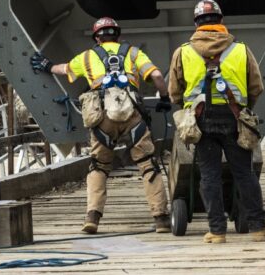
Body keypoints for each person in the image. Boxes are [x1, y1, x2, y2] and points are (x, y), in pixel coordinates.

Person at [30, 17, 171, 235]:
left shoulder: (87, 56)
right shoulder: (133, 53)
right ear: (118, 35)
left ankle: (92, 218)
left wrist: (47, 65)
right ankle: (161, 219)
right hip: (133, 114)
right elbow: (157, 75)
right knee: (147, 164)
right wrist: (163, 98)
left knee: (99, 166)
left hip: (102, 117)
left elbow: (64, 68)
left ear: (97, 37)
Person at [167, 0, 265, 244]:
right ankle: (258, 228)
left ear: (196, 24)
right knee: (244, 173)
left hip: (201, 121)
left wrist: (189, 109)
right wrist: (242, 110)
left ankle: (217, 231)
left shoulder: (183, 51)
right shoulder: (241, 50)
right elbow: (256, 87)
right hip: (234, 118)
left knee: (209, 175)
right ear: (221, 21)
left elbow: (174, 92)